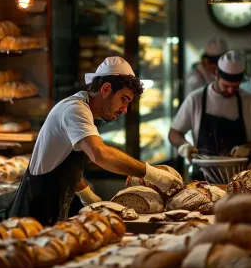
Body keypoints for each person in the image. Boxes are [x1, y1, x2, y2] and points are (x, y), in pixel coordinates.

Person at [10, 56, 183, 225]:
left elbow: (61, 163)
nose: (124, 109)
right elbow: (100, 154)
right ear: (106, 89)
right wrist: (154, 175)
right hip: (32, 218)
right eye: (124, 100)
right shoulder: (75, 109)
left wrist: (86, 194)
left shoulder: (81, 108)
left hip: (48, 214)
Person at [169, 50, 251, 180]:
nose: (230, 90)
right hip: (202, 178)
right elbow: (174, 133)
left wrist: (248, 148)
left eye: (235, 87)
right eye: (226, 86)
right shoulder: (196, 99)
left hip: (240, 179)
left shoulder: (249, 101)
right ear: (216, 74)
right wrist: (184, 146)